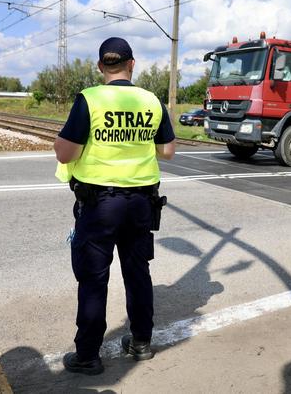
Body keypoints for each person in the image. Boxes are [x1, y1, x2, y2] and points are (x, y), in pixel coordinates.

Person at [54, 37, 175, 376]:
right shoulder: (151, 101)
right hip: (140, 203)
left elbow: (65, 153)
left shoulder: (90, 99)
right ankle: (140, 343)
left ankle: (88, 356)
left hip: (99, 204)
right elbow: (167, 151)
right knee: (138, 272)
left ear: (99, 66)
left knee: (94, 279)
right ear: (132, 64)